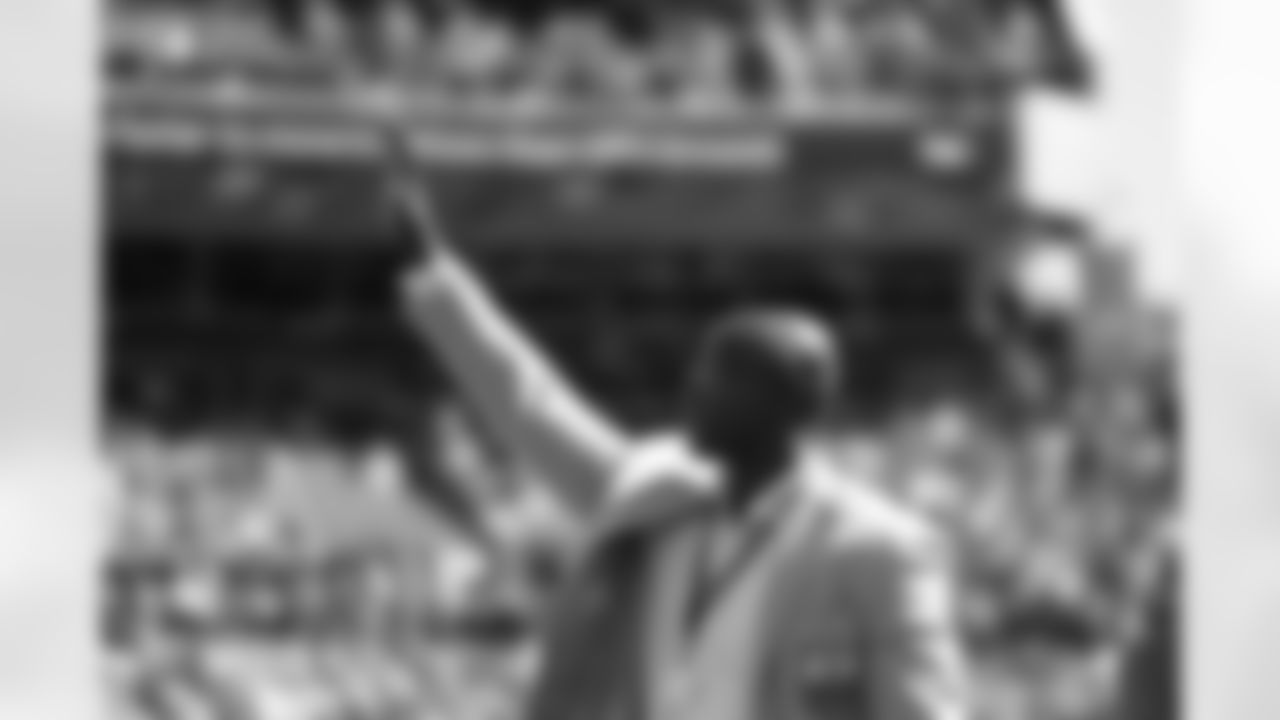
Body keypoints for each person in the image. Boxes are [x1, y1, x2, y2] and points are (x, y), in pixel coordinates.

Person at [384, 121, 967, 720]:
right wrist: (436, 275)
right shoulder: (659, 500)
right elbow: (532, 407)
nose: (692, 394)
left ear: (779, 404)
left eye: (717, 380)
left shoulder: (879, 547)